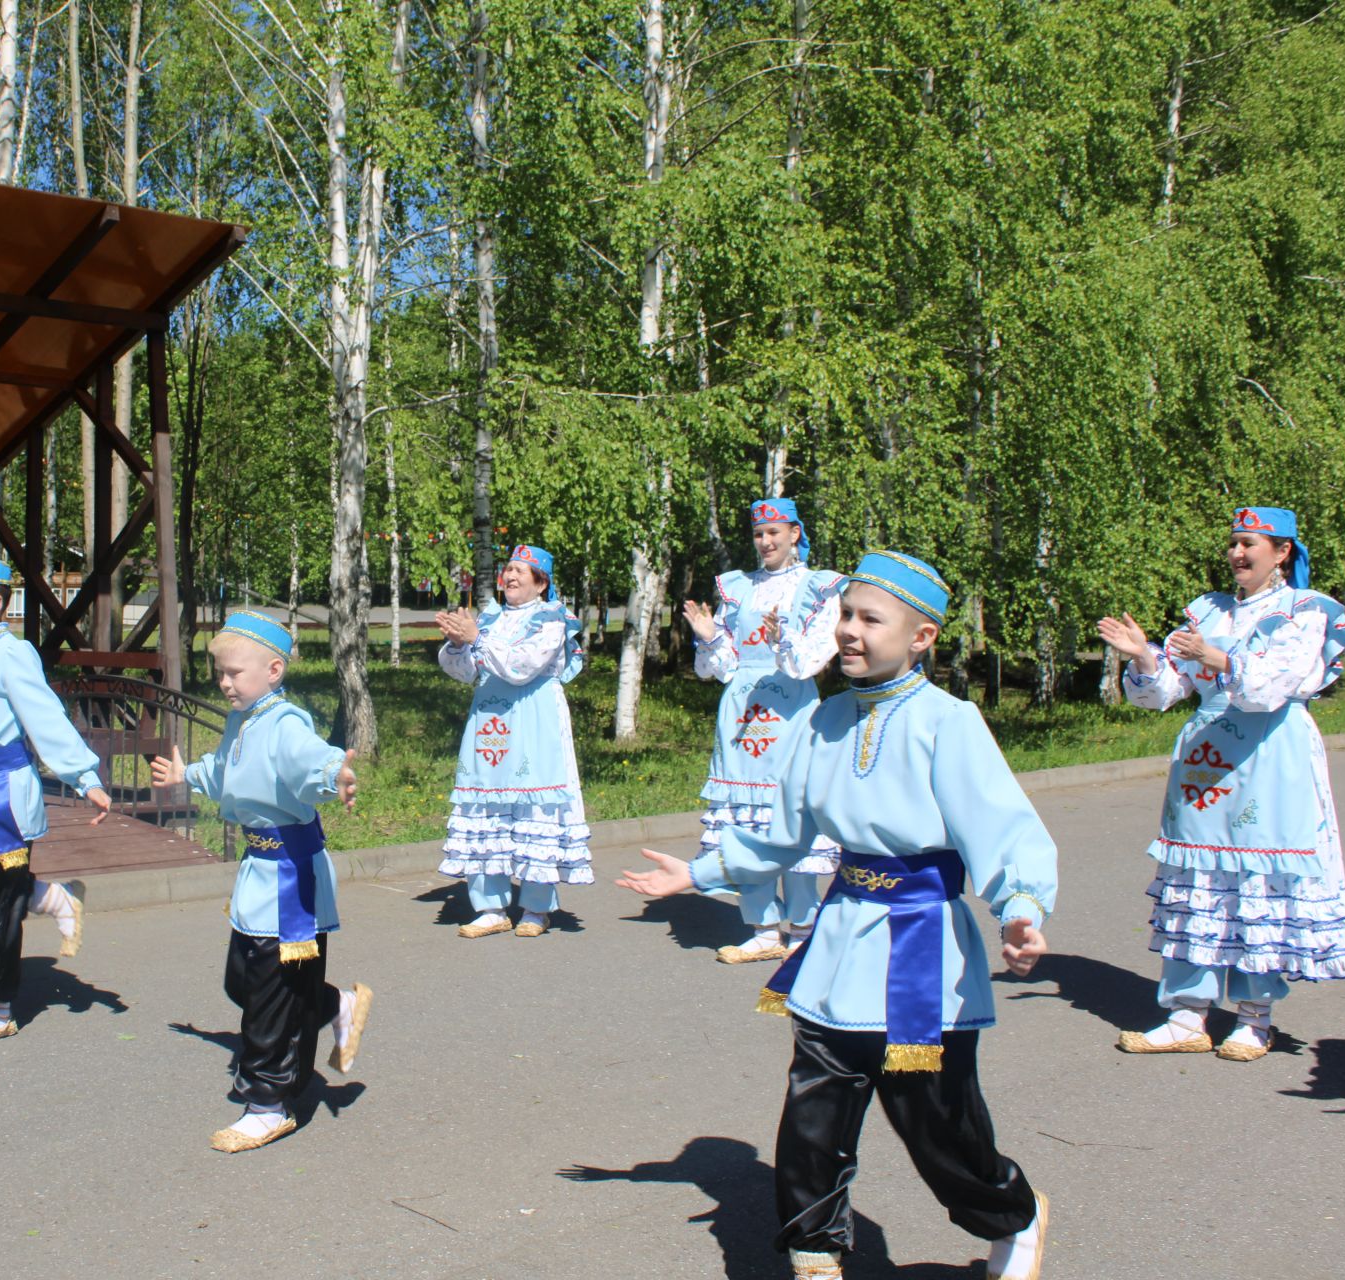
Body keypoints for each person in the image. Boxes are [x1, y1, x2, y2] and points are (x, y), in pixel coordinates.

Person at [618, 551, 1054, 1280]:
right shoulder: (820, 721)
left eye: (868, 619)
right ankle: (815, 1248)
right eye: (844, 615)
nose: (849, 631)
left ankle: (1012, 1213)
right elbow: (780, 834)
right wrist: (695, 872)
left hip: (921, 951)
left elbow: (1003, 826)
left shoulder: (949, 723)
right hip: (842, 942)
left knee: (936, 1124)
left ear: (922, 637)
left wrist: (1021, 907)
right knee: (813, 1113)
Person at [1098, 506, 1345, 1061]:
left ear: (1282, 551)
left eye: (1250, 544)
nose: (1238, 554)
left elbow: (1269, 690)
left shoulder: (1305, 612)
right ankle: (1187, 1015)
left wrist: (1217, 656)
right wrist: (1144, 655)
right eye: (1233, 543)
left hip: (1270, 757)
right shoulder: (1208, 611)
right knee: (1200, 881)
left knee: (1256, 883)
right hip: (1206, 765)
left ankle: (1254, 1019)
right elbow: (1162, 691)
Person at [151, 612, 369, 1152]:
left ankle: (268, 1105)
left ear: (274, 670)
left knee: (269, 1000)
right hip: (258, 873)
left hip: (290, 881)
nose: (225, 683)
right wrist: (187, 775)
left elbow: (307, 760)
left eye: (235, 673)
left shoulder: (285, 722)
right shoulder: (242, 721)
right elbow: (226, 770)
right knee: (243, 984)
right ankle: (332, 1004)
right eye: (220, 673)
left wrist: (332, 774)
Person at [0, 556, 111, 1047]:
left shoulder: (13, 654)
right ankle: (45, 895)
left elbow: (44, 717)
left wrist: (84, 776)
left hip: (3, 800)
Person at [683, 498, 844, 964]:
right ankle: (763, 928)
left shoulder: (818, 587)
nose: (765, 541)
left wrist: (781, 641)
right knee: (746, 824)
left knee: (790, 820)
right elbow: (723, 667)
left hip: (792, 711)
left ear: (794, 533)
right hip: (742, 710)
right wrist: (711, 635)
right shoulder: (738, 587)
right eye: (758, 534)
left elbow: (812, 659)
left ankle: (804, 929)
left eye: (774, 532)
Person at [433, 544, 592, 939]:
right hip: (490, 721)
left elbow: (522, 666)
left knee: (535, 802)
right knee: (486, 802)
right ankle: (490, 907)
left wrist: (477, 640)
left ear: (542, 583)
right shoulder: (491, 617)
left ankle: (536, 909)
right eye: (508, 569)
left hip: (533, 717)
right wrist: (458, 644)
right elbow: (465, 671)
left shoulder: (552, 619)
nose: (511, 576)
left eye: (522, 570)